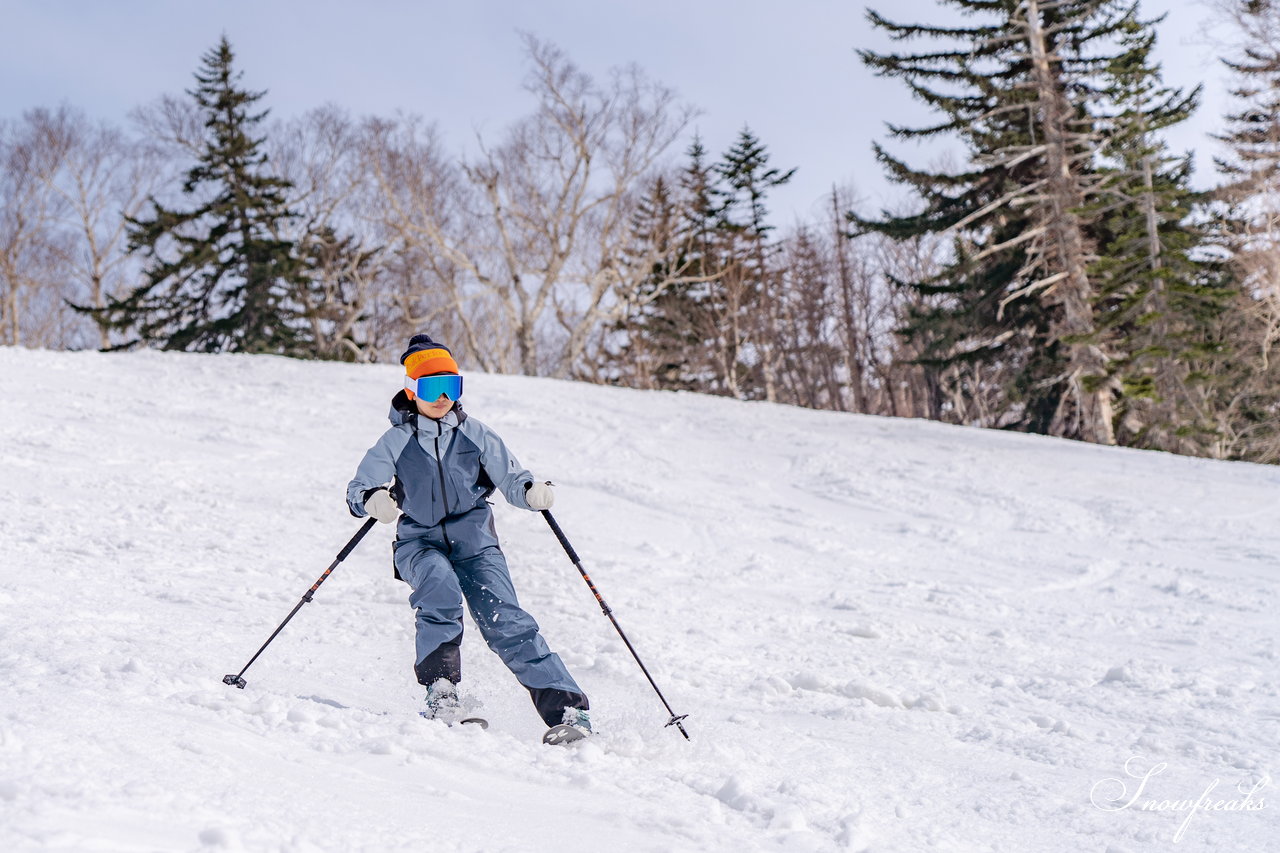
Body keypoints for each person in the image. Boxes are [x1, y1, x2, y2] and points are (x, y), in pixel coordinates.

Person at [346, 334, 591, 736]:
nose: (442, 397)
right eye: (431, 387)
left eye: (451, 386)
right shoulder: (396, 440)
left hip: (476, 542)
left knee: (507, 621)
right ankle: (442, 694)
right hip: (418, 543)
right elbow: (359, 488)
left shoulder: (475, 432)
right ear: (412, 390)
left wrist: (530, 491)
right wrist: (372, 500)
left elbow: (512, 477)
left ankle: (568, 712)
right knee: (439, 590)